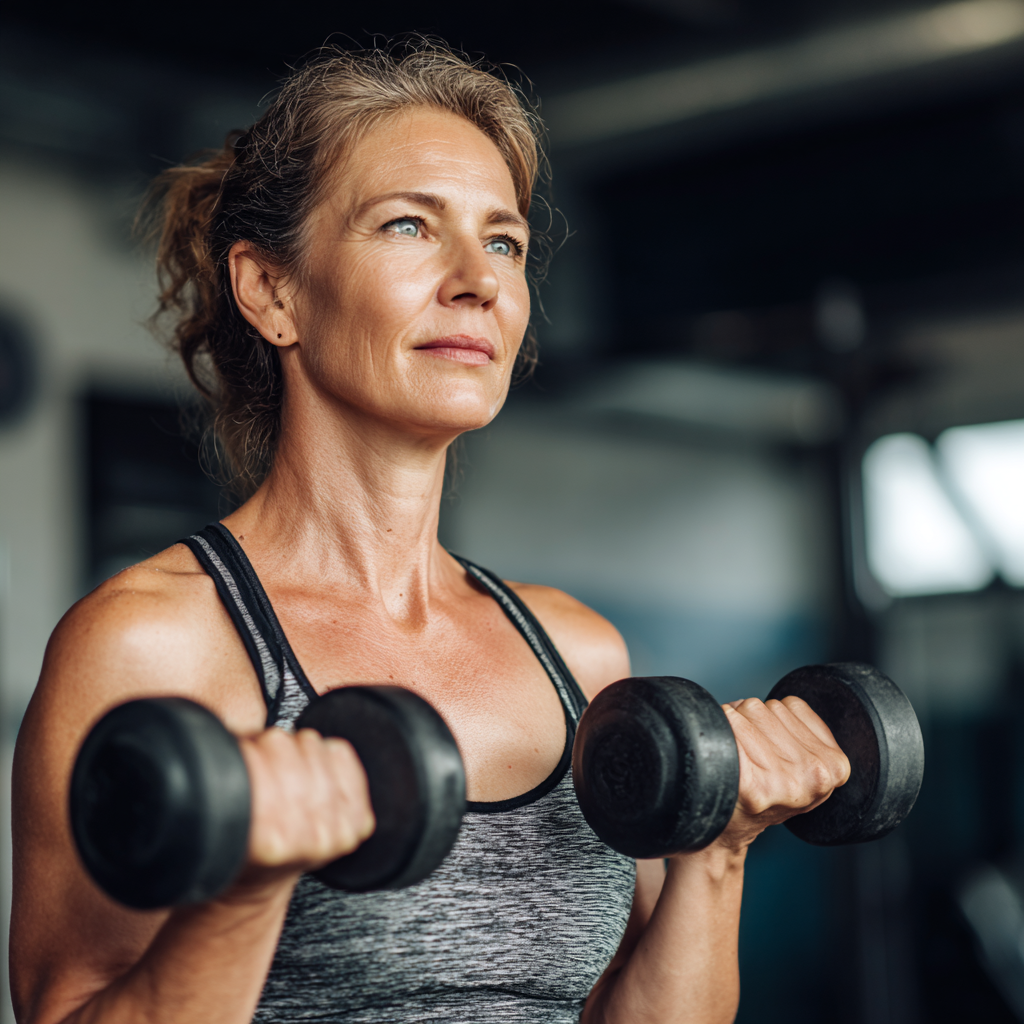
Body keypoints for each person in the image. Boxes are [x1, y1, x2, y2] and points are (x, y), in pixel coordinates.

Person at [10, 41, 850, 1024]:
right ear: (271, 291)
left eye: (503, 243)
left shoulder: (578, 656)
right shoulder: (154, 645)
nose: (476, 281)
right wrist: (241, 895)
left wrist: (718, 849)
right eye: (408, 225)